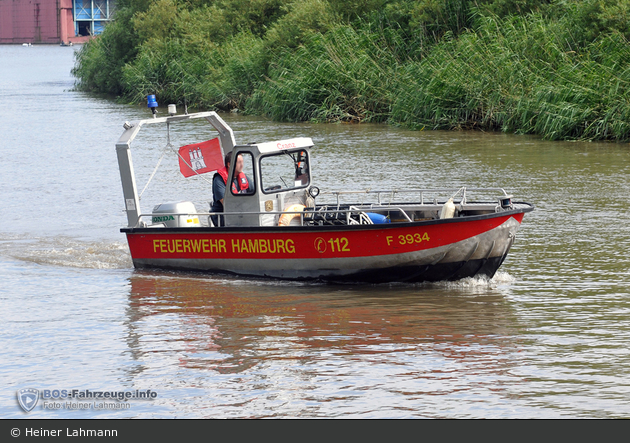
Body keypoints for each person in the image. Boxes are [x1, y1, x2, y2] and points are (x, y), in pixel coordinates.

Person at [210, 152, 254, 226]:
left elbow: (255, 193)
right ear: (229, 164)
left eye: (242, 162)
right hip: (223, 218)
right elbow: (227, 204)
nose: (242, 165)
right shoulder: (219, 180)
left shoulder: (243, 178)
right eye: (239, 162)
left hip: (240, 215)